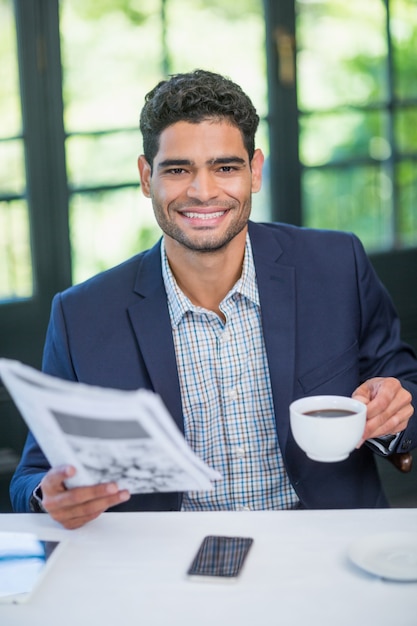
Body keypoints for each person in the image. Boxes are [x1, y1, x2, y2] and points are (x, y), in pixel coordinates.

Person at [10, 69, 417, 529]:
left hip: (324, 542)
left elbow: (405, 389)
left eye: (225, 167)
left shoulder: (337, 264)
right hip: (164, 561)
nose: (203, 192)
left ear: (255, 170)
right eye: (178, 169)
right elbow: (33, 473)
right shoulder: (80, 315)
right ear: (147, 177)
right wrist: (49, 494)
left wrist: (396, 412)